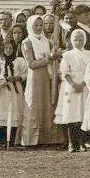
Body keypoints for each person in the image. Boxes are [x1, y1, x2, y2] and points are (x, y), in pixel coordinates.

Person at [18, 14, 60, 147]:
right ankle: (31, 139)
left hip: (47, 77)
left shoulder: (47, 41)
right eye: (35, 25)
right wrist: (49, 58)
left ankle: (48, 138)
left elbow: (54, 54)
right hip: (35, 78)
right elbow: (31, 64)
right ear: (30, 26)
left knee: (47, 105)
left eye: (40, 25)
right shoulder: (27, 42)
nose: (38, 28)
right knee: (34, 105)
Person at [55, 28, 90, 153]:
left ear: (85, 40)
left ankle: (82, 143)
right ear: (72, 40)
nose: (78, 41)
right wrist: (74, 84)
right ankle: (72, 143)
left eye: (81, 39)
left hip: (85, 85)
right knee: (71, 115)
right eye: (76, 39)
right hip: (71, 86)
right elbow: (64, 72)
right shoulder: (67, 54)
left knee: (82, 114)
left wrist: (83, 84)